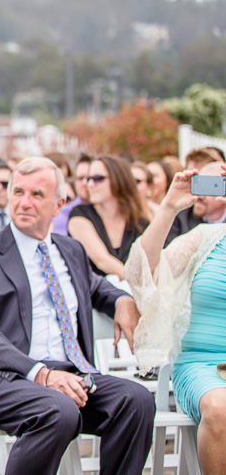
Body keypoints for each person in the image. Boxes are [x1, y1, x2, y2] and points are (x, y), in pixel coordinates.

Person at [0, 157, 154, 474]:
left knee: (136, 400)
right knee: (59, 410)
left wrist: (121, 299)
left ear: (59, 205)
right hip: (1, 379)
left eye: (37, 194)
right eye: (18, 192)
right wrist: (40, 373)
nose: (24, 202)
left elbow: (94, 287)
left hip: (68, 376)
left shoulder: (70, 250)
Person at [125, 165, 226, 474]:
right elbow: (141, 273)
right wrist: (169, 207)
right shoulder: (207, 238)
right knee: (220, 409)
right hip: (204, 366)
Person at [67, 156, 149, 280]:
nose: (90, 184)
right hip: (96, 291)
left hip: (133, 289)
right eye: (89, 179)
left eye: (98, 178)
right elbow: (102, 261)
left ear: (119, 180)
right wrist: (139, 283)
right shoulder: (79, 215)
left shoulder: (138, 222)